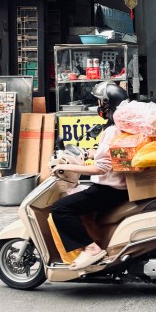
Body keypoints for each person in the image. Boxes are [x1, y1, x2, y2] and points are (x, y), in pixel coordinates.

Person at [50, 82, 130, 272]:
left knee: (60, 208)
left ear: (108, 104)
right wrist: (89, 154)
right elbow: (112, 156)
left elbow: (102, 168)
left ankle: (91, 248)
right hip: (119, 187)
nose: (98, 106)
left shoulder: (112, 130)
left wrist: (65, 165)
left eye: (101, 102)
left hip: (108, 189)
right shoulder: (121, 126)